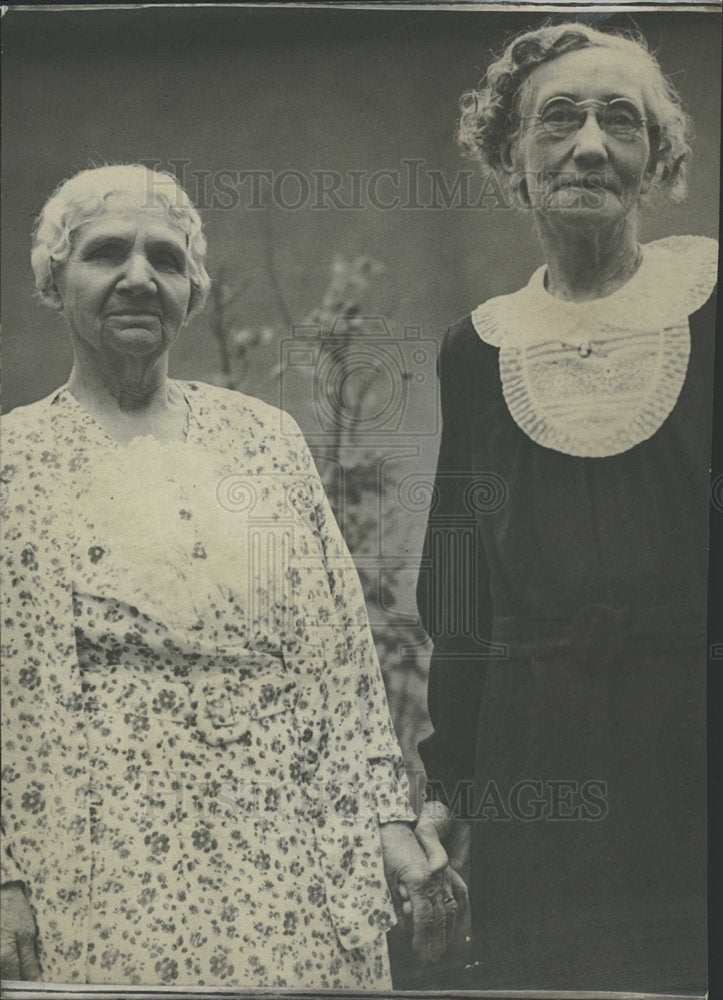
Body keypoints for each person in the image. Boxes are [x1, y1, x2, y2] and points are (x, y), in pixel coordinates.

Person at [0, 164, 465, 987]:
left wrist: (387, 826)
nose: (139, 277)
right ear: (52, 277)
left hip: (288, 861)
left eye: (167, 259)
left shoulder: (262, 441)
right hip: (105, 874)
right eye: (107, 252)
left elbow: (337, 663)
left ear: (192, 289)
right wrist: (5, 881)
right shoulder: (14, 460)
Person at [413, 23, 717, 994]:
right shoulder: (480, 349)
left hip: (695, 745)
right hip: (536, 751)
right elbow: (459, 590)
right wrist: (455, 780)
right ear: (512, 156)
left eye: (619, 121)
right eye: (559, 120)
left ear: (656, 159)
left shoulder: (709, 305)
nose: (589, 145)